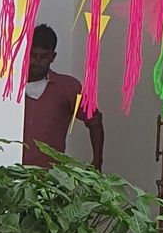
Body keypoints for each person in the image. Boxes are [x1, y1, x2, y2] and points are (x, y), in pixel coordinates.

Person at [22, 23, 103, 170]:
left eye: (44, 57)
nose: (37, 62)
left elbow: (95, 122)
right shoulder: (9, 88)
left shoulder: (67, 87)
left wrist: (97, 161)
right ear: (26, 53)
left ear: (53, 57)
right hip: (10, 173)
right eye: (33, 55)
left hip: (52, 178)